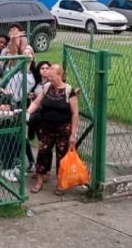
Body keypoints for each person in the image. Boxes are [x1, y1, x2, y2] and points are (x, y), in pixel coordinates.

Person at [27, 64, 80, 194]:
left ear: (60, 75)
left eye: (52, 76)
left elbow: (75, 114)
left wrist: (73, 134)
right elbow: (36, 102)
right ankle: (39, 181)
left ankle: (61, 183)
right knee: (42, 153)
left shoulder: (69, 90)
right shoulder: (46, 88)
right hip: (46, 128)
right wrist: (27, 113)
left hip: (63, 129)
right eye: (48, 76)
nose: (49, 78)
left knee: (62, 156)